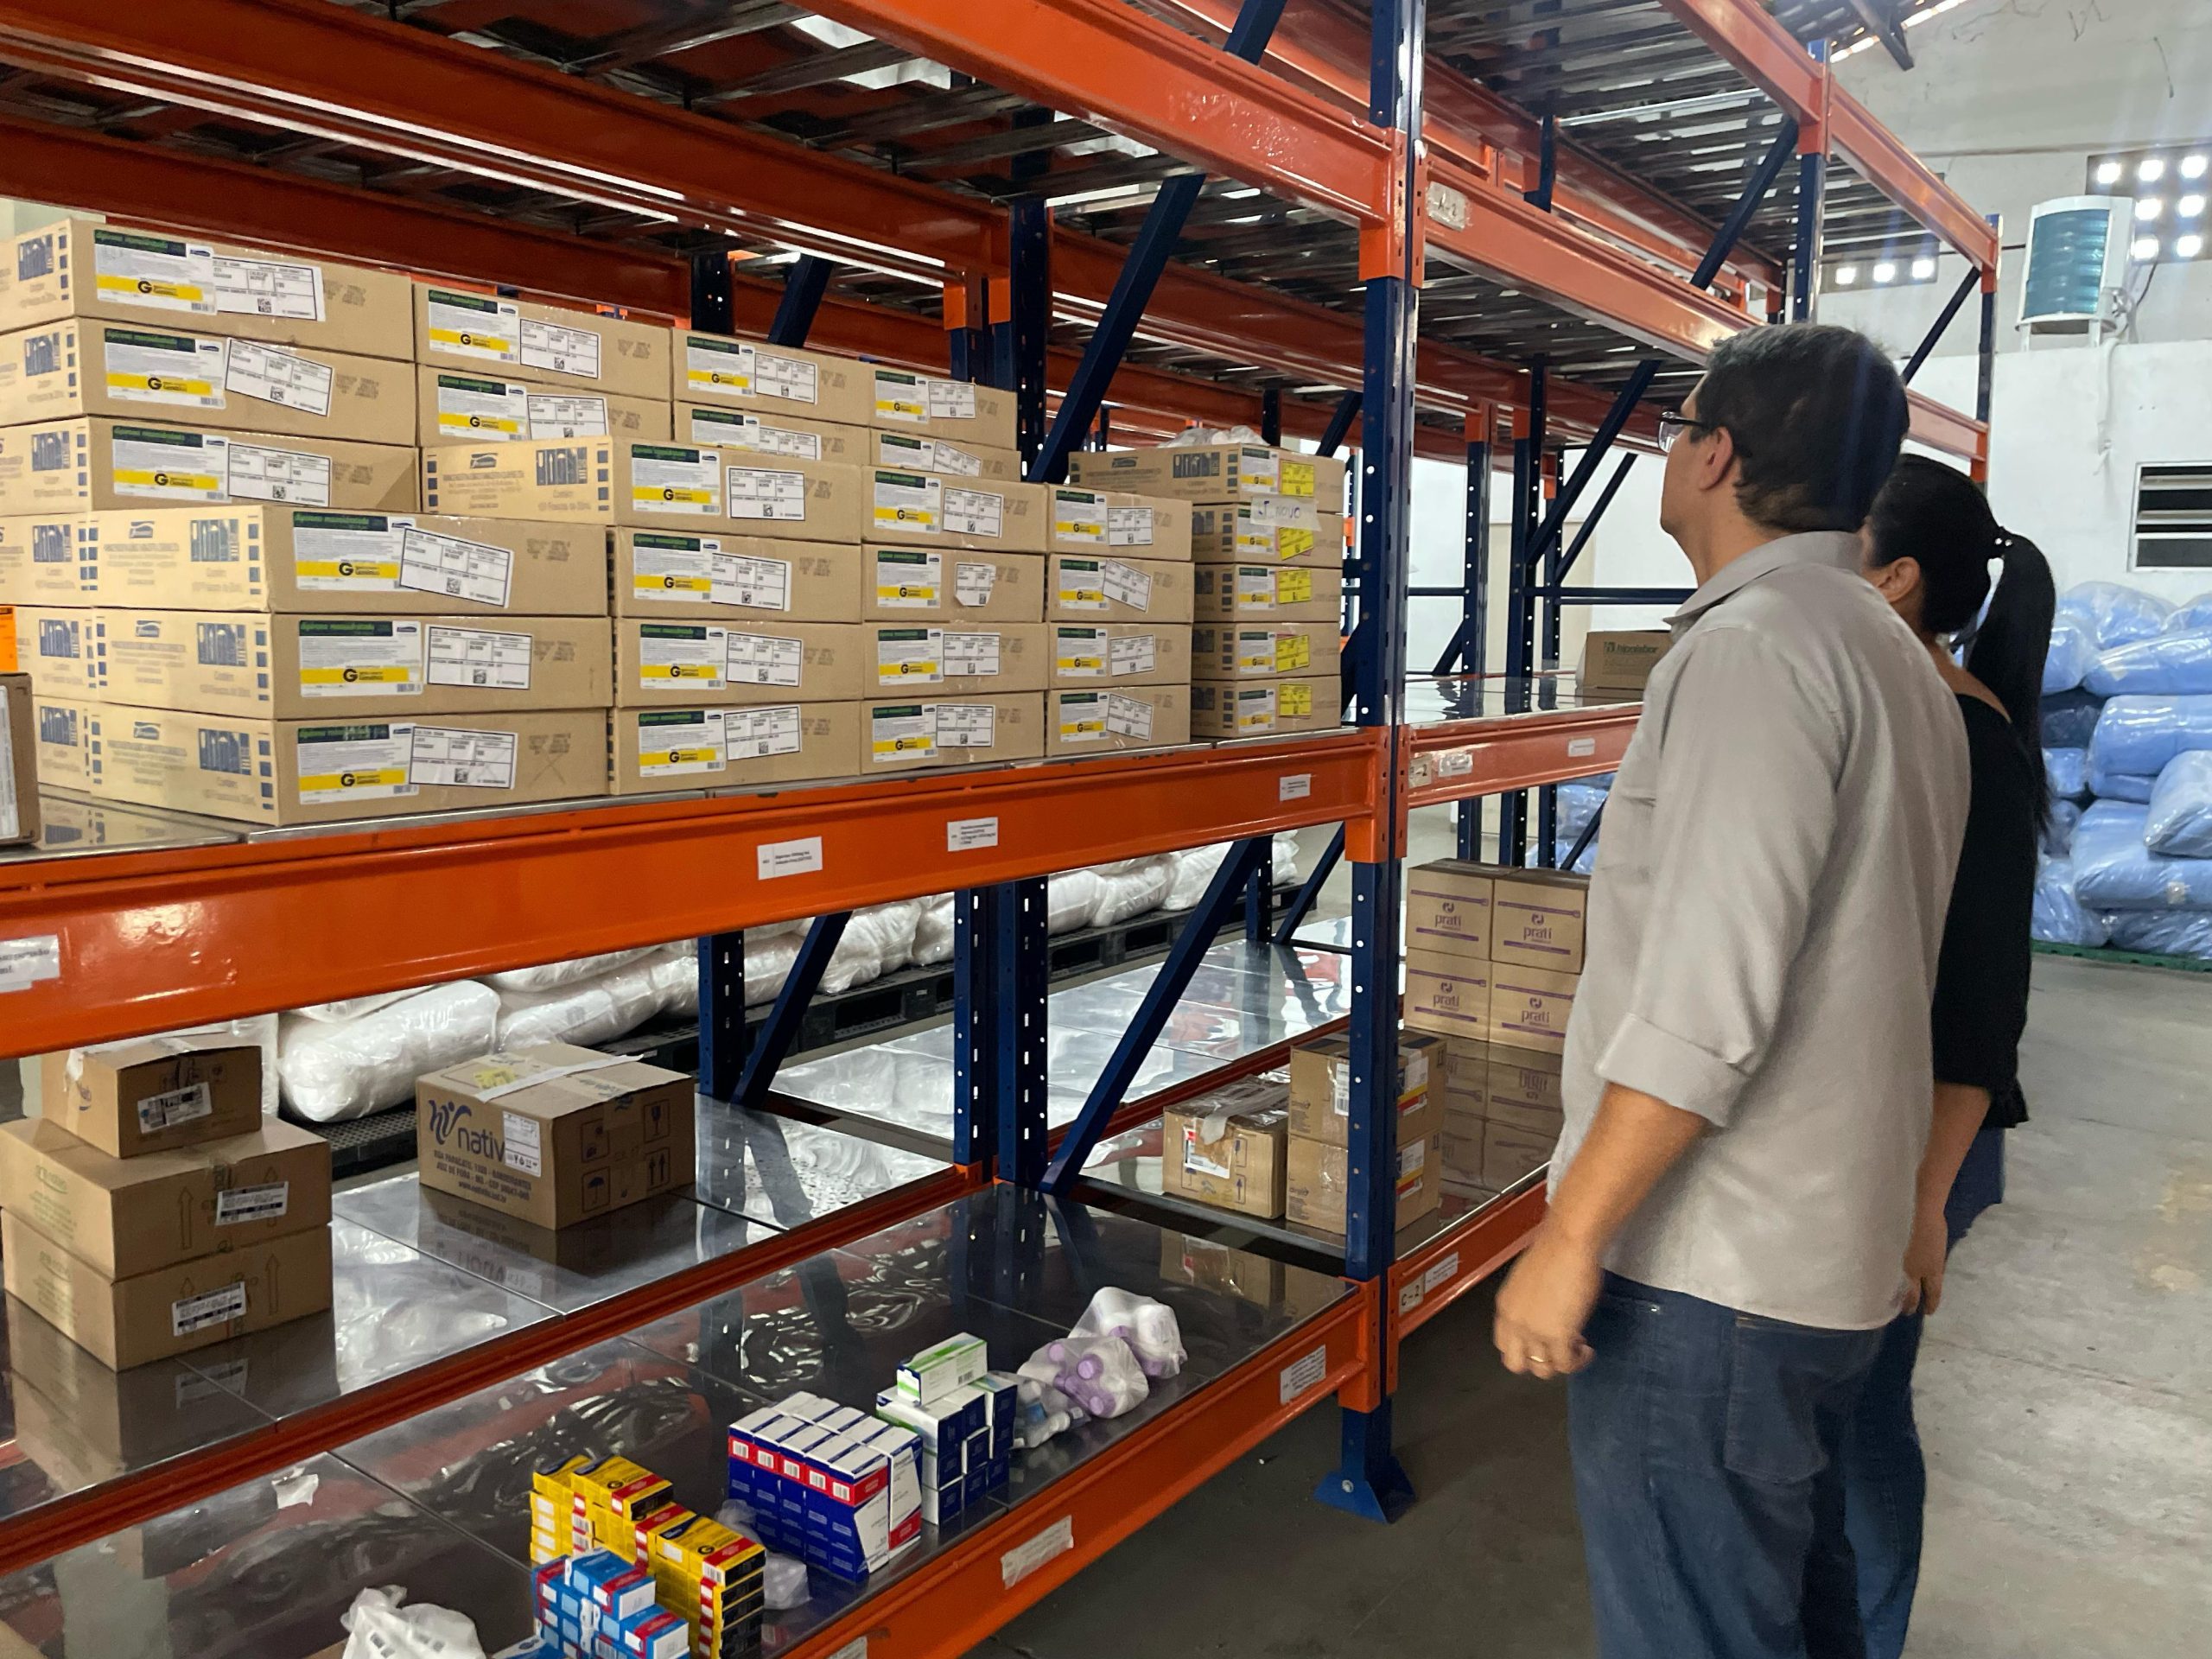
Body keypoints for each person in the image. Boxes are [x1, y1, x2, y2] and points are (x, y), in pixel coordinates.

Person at [1491, 322, 1970, 1659]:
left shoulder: (1755, 651)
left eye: (1677, 425)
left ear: (1716, 455)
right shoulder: (1890, 653)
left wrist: (1572, 1236)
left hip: (1713, 1278)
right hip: (1822, 1261)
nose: (1668, 448)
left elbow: (1708, 1007)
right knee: (1796, 1609)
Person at [1844, 456, 2053, 1659]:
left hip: (1931, 1139)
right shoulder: (1893, 708)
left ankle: (1869, 1638)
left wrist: (1922, 1204)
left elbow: (1981, 1008)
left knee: (1866, 1414)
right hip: (1875, 1130)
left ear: (1898, 578)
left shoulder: (1970, 738)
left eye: (1844, 538)